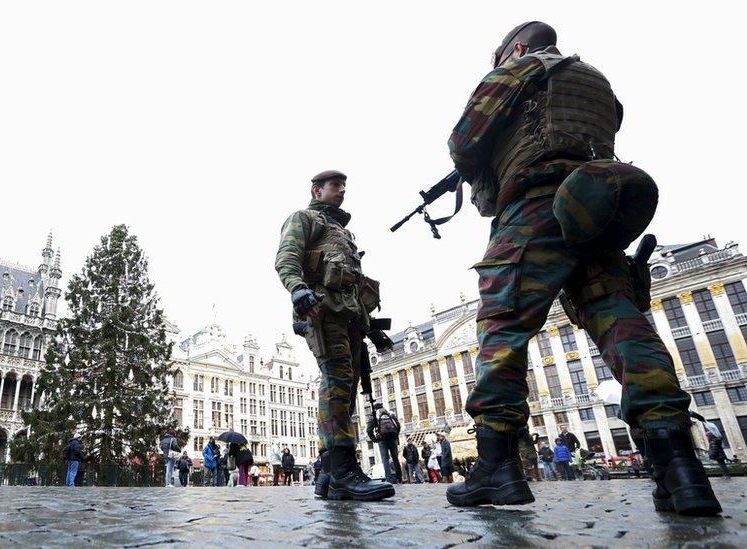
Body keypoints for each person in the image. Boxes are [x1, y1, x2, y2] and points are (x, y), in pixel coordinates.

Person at [443, 21, 721, 516]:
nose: (498, 64)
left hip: (537, 207)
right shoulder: (595, 80)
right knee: (622, 322)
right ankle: (680, 470)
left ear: (518, 48)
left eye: (500, 57)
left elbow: (464, 141)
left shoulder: (519, 69)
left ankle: (497, 467)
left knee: (502, 328)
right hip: (594, 209)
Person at [275, 170, 394, 502]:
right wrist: (298, 290)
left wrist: (372, 331)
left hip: (350, 317)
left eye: (344, 186)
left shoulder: (341, 232)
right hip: (323, 312)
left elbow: (354, 288)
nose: (342, 190)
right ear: (317, 190)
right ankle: (343, 471)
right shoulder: (304, 219)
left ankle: (328, 474)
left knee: (347, 388)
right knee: (337, 382)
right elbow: (286, 258)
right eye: (335, 186)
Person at [368, 404, 402, 484]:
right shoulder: (390, 413)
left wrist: (375, 439)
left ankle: (389, 479)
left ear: (375, 408)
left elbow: (369, 430)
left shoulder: (374, 415)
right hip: (392, 438)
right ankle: (399, 478)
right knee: (395, 458)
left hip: (382, 440)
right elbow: (398, 425)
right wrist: (395, 435)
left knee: (385, 459)